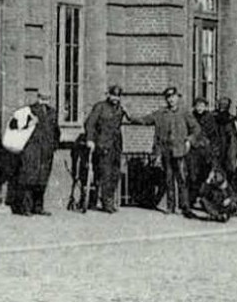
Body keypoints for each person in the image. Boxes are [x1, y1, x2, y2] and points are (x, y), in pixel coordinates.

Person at [135, 87, 200, 215]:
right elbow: (146, 120)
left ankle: (185, 206)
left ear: (177, 97)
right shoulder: (161, 114)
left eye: (173, 97)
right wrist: (130, 117)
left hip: (180, 151)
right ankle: (170, 206)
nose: (171, 100)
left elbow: (196, 129)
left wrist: (189, 140)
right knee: (168, 179)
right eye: (168, 98)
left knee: (182, 179)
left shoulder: (184, 113)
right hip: (167, 152)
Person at [82, 84, 133, 213]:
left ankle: (108, 199)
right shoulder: (100, 107)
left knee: (115, 174)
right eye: (113, 95)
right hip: (103, 145)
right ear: (108, 95)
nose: (115, 98)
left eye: (118, 96)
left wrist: (128, 110)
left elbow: (131, 119)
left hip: (116, 146)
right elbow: (89, 123)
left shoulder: (120, 109)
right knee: (106, 173)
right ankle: (106, 203)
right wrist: (90, 140)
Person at [14, 94, 60, 215]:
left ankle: (38, 207)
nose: (44, 102)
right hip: (32, 150)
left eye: (47, 99)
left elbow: (56, 131)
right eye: (42, 99)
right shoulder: (29, 111)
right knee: (29, 178)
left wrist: (54, 146)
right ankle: (26, 208)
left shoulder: (52, 112)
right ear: (38, 99)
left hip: (46, 151)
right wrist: (30, 124)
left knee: (42, 179)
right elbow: (18, 129)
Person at [0, 106, 36, 214]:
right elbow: (27, 125)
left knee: (8, 178)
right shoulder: (24, 125)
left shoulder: (14, 123)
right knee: (14, 178)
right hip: (13, 152)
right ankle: (9, 201)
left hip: (8, 151)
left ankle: (5, 199)